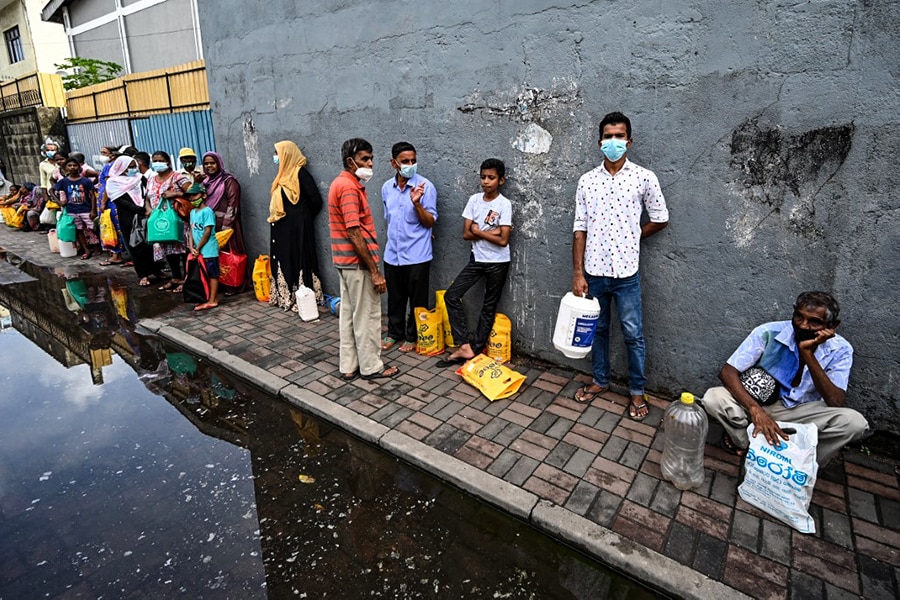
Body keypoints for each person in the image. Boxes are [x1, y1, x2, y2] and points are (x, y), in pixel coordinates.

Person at [571, 111, 669, 421]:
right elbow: (579, 227)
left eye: (619, 136)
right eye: (608, 136)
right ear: (599, 142)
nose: (614, 142)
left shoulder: (644, 177)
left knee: (632, 333)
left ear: (629, 140)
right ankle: (600, 380)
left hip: (627, 272)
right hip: (594, 272)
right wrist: (578, 273)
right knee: (598, 331)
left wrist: (634, 236)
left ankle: (637, 391)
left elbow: (660, 217)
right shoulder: (587, 180)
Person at [702, 292, 869, 466]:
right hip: (760, 403)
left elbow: (835, 401)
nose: (804, 326)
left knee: (855, 423)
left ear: (833, 325)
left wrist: (808, 354)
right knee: (714, 397)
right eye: (799, 317)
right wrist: (755, 410)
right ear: (793, 312)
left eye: (815, 322)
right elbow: (727, 372)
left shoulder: (840, 349)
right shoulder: (769, 331)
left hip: (801, 411)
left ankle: (799, 461)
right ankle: (746, 443)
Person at [327, 138, 399, 381]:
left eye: (371, 158)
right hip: (357, 264)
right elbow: (354, 231)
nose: (370, 164)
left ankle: (349, 366)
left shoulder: (343, 183)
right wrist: (375, 271)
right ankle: (371, 367)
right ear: (350, 161)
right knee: (367, 316)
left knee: (349, 314)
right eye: (364, 159)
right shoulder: (348, 187)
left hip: (345, 262)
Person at [436, 159, 512, 368]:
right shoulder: (474, 200)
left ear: (501, 180)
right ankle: (463, 344)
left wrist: (479, 231)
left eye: (491, 178)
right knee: (452, 295)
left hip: (498, 262)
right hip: (477, 260)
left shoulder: (504, 205)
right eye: (483, 177)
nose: (486, 182)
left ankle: (475, 349)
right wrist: (492, 232)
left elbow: (504, 240)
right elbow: (466, 233)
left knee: (488, 306)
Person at [380, 142, 438, 353]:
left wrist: (417, 204)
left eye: (413, 160)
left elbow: (430, 221)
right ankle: (395, 333)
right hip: (393, 254)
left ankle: (413, 336)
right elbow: (389, 219)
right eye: (405, 161)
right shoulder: (387, 187)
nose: (410, 165)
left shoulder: (425, 187)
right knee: (395, 297)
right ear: (394, 163)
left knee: (417, 300)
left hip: (417, 254)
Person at [268, 140, 324, 310]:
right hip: (282, 228)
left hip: (298, 229)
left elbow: (316, 201)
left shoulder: (301, 174)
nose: (276, 157)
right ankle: (286, 296)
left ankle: (303, 297)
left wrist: (303, 218)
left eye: (278, 153)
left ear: (287, 154)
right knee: (284, 259)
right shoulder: (281, 176)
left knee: (299, 259)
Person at [106, 155, 166, 286]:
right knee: (136, 246)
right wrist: (139, 210)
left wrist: (146, 208)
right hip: (129, 218)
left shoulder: (140, 178)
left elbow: (148, 194)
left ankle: (157, 270)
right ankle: (143, 274)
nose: (133, 169)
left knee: (152, 244)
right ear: (122, 167)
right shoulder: (113, 182)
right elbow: (119, 200)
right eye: (130, 167)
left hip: (146, 215)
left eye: (134, 166)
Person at [146, 151, 192, 292]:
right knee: (168, 249)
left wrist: (176, 193)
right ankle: (175, 277)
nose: (157, 163)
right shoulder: (151, 180)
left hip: (177, 220)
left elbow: (193, 191)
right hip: (160, 222)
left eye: (161, 160)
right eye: (155, 160)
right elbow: (147, 198)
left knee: (182, 249)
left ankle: (186, 279)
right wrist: (148, 210)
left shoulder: (178, 177)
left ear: (168, 162)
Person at [54, 158, 100, 259]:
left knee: (92, 228)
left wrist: (93, 210)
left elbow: (92, 195)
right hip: (72, 210)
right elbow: (52, 190)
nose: (72, 167)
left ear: (79, 167)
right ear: (66, 168)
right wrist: (58, 201)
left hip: (86, 209)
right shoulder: (64, 182)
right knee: (79, 230)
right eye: (69, 166)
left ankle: (97, 247)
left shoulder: (86, 181)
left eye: (74, 165)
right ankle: (86, 250)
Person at [186, 183, 220, 311]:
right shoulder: (192, 212)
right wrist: (191, 247)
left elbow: (207, 232)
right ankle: (208, 297)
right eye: (190, 196)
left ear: (204, 195)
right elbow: (190, 231)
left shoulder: (208, 211)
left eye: (195, 195)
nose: (192, 199)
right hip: (198, 250)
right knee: (204, 274)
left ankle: (212, 300)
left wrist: (198, 248)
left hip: (209, 250)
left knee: (213, 274)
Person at [95, 146, 128, 265]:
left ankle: (117, 254)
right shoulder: (107, 167)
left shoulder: (112, 167)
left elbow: (109, 186)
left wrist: (103, 203)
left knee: (114, 227)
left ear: (112, 155)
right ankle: (114, 251)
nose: (102, 155)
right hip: (106, 201)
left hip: (110, 202)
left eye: (104, 153)